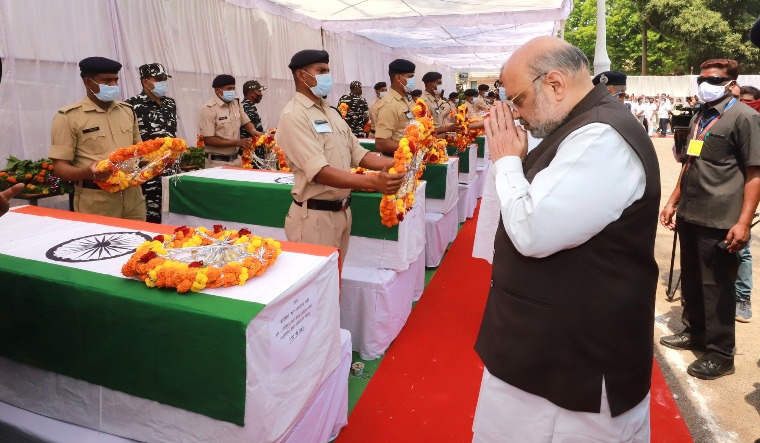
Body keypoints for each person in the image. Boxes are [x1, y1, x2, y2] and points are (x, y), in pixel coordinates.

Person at [472, 36, 659, 442]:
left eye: (518, 100)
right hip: (546, 347)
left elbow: (533, 231)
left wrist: (508, 162)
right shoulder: (582, 124)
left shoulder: (602, 137)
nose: (516, 113)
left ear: (555, 84)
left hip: (576, 363)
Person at [660, 59, 760, 379]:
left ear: (732, 83)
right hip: (691, 212)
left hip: (720, 217)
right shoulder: (700, 116)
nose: (707, 84)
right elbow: (689, 163)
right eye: (702, 79)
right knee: (691, 279)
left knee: (716, 286)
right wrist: (673, 201)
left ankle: (720, 353)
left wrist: (743, 222)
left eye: (715, 79)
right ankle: (696, 332)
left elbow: (755, 174)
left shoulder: (745, 117)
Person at [275, 49, 403, 269]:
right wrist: (374, 181)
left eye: (328, 70)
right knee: (317, 285)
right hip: (314, 218)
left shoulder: (331, 112)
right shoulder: (294, 115)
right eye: (321, 71)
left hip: (342, 213)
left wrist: (397, 163)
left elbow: (359, 154)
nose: (328, 76)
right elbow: (320, 172)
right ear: (302, 75)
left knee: (335, 279)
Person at [49, 57, 145, 221]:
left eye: (116, 80)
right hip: (97, 201)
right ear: (88, 82)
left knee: (139, 237)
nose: (114, 85)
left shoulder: (127, 111)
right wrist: (86, 173)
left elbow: (140, 152)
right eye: (107, 81)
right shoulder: (69, 117)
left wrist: (158, 158)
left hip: (133, 197)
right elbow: (59, 168)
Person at [125, 63, 177, 223]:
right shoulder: (131, 105)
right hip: (148, 172)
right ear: (145, 82)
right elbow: (129, 141)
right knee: (150, 217)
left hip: (170, 170)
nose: (163, 82)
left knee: (172, 216)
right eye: (158, 79)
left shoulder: (170, 103)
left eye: (164, 79)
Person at [733, 85, 760, 322]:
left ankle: (742, 297)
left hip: (745, 199)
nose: (743, 104)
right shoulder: (728, 121)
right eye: (739, 99)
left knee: (742, 250)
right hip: (720, 194)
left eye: (748, 101)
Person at [198, 74, 258, 167]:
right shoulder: (209, 109)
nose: (232, 91)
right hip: (217, 163)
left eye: (233, 88)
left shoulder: (236, 103)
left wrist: (254, 131)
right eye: (229, 88)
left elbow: (245, 121)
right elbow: (208, 140)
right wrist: (237, 142)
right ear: (217, 90)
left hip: (236, 160)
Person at [374, 59, 417, 155]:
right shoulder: (389, 104)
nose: (413, 80)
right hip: (395, 160)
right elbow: (381, 143)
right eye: (410, 77)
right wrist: (412, 148)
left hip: (409, 158)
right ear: (398, 78)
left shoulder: (405, 99)